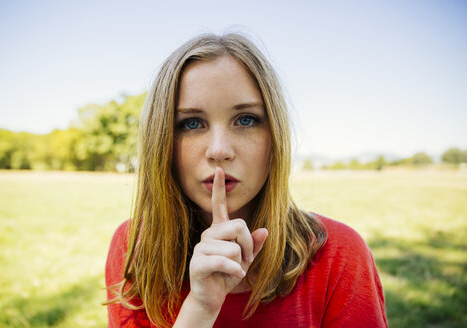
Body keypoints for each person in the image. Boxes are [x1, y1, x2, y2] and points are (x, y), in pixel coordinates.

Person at [105, 32, 388, 328]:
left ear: (275, 136)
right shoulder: (136, 246)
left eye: (246, 120)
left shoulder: (339, 255)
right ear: (161, 141)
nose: (219, 150)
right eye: (191, 123)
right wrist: (200, 310)